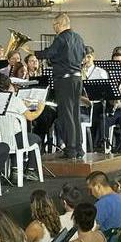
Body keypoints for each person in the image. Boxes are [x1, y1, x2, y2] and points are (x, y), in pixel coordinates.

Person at [36, 13, 86, 160]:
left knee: (66, 114)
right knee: (75, 113)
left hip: (64, 80)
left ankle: (70, 149)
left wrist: (33, 53)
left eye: (54, 25)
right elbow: (82, 54)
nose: (54, 28)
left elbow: (49, 53)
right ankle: (78, 148)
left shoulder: (61, 38)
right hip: (77, 78)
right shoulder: (78, 38)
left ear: (60, 24)